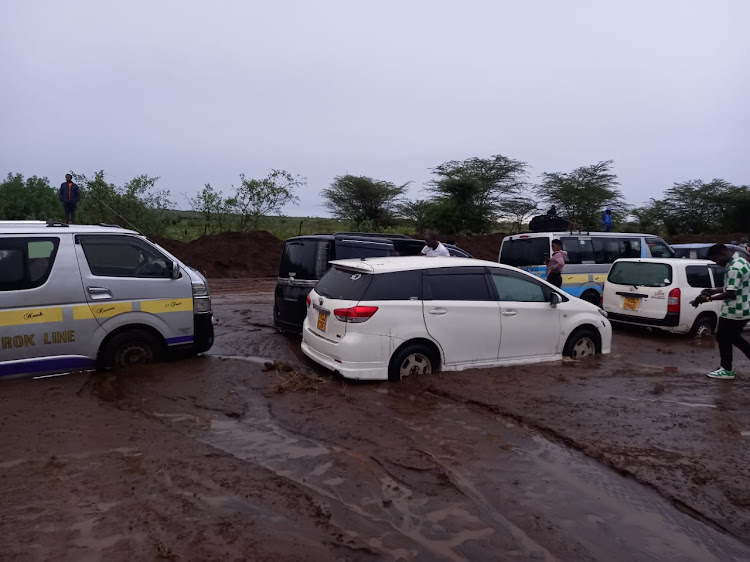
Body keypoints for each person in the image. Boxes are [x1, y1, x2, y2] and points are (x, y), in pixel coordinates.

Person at [693, 244, 750, 380]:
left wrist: (707, 298)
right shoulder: (740, 261)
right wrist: (712, 290)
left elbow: (730, 293)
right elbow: (731, 286)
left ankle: (726, 370)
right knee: (733, 338)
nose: (718, 264)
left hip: (735, 310)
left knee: (723, 337)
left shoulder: (734, 268)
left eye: (717, 260)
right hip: (743, 308)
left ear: (722, 254)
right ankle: (726, 368)